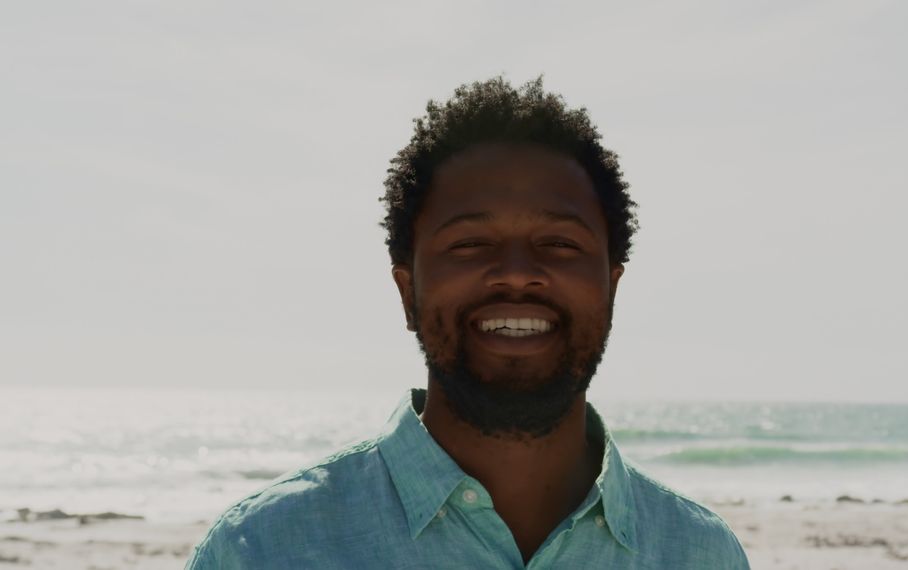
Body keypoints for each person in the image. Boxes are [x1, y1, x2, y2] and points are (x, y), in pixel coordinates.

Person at [186, 77, 750, 569]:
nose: (517, 274)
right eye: (470, 243)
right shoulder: (260, 550)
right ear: (408, 292)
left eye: (559, 243)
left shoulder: (702, 555)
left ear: (612, 286)